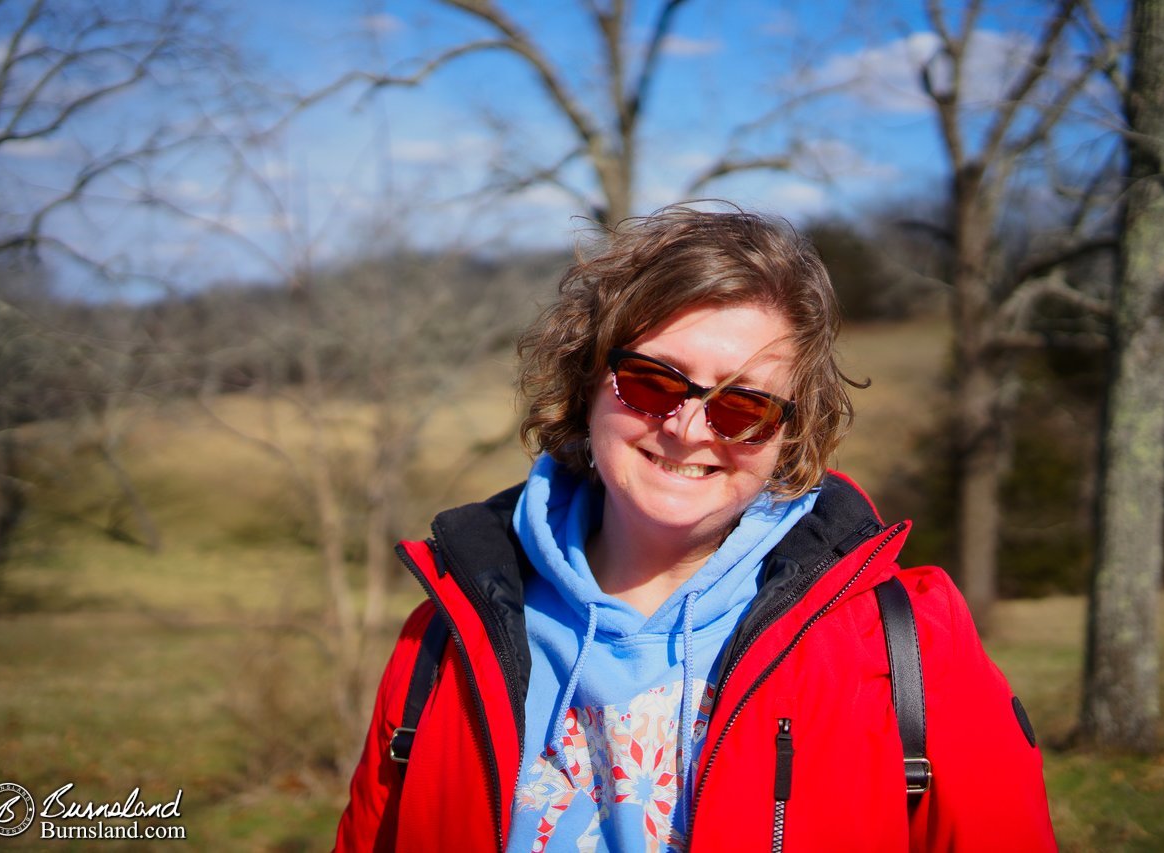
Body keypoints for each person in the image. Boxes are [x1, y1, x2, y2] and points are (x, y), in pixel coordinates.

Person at [334, 205, 1056, 852]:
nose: (686, 428)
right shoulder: (444, 639)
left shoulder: (907, 646)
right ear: (588, 382)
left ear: (790, 435)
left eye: (743, 406)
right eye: (653, 380)